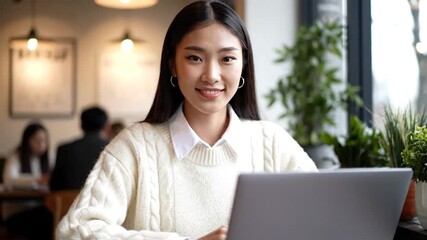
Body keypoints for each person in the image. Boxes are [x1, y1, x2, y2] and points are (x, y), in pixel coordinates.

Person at [56, 1, 317, 239]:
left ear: (244, 65)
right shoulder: (135, 147)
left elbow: (324, 217)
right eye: (195, 58)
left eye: (227, 59)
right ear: (172, 63)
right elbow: (75, 232)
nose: (211, 75)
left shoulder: (272, 143)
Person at [2, 122, 53, 240]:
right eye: (37, 140)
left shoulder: (49, 159)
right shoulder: (15, 157)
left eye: (44, 140)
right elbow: (8, 180)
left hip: (38, 209)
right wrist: (38, 179)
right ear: (27, 141)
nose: (41, 144)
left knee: (51, 216)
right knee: (44, 219)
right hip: (16, 213)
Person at [49, 106, 109, 191]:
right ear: (106, 126)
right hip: (102, 203)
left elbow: (54, 186)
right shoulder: (112, 150)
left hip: (67, 203)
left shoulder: (64, 149)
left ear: (81, 125)